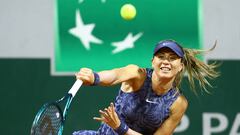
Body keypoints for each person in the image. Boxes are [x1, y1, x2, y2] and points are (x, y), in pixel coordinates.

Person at [73, 39, 219, 135]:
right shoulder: (136, 74)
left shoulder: (178, 103)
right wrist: (95, 77)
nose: (166, 62)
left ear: (181, 66)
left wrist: (120, 127)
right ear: (152, 62)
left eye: (172, 58)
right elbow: (114, 76)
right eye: (161, 57)